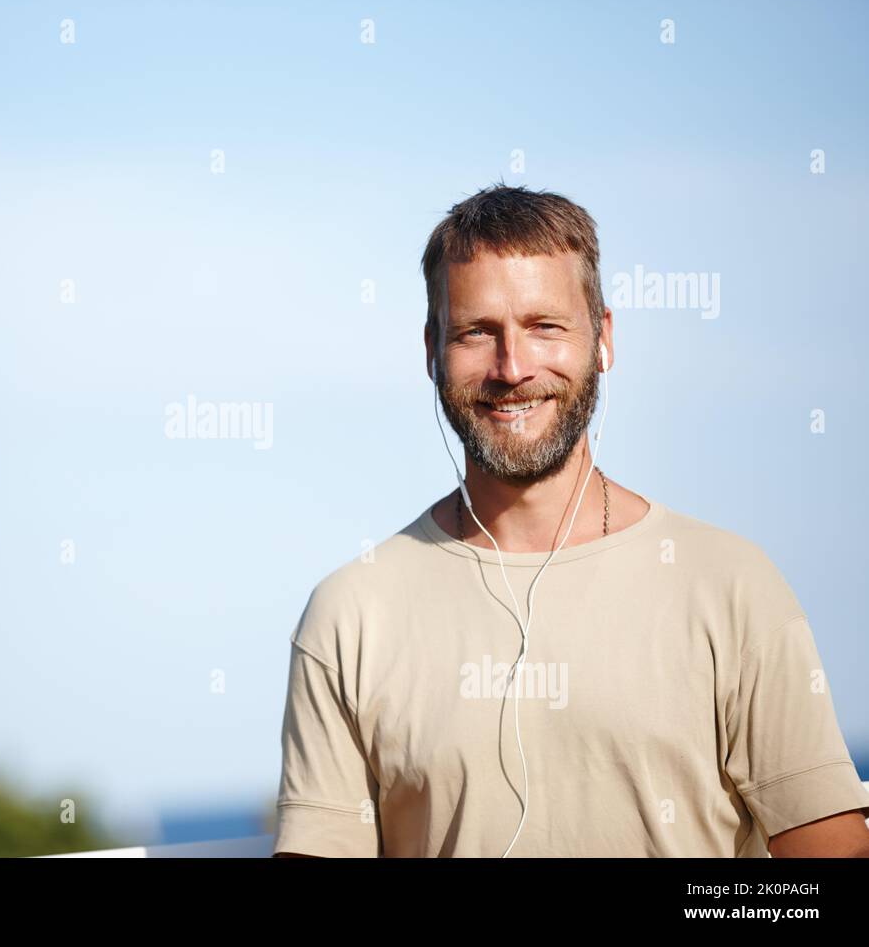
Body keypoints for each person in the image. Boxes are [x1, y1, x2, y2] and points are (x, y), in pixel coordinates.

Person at [272, 183, 869, 857]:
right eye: (477, 333)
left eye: (544, 326)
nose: (513, 367)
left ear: (603, 339)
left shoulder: (730, 585)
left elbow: (831, 852)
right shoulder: (350, 615)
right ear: (432, 349)